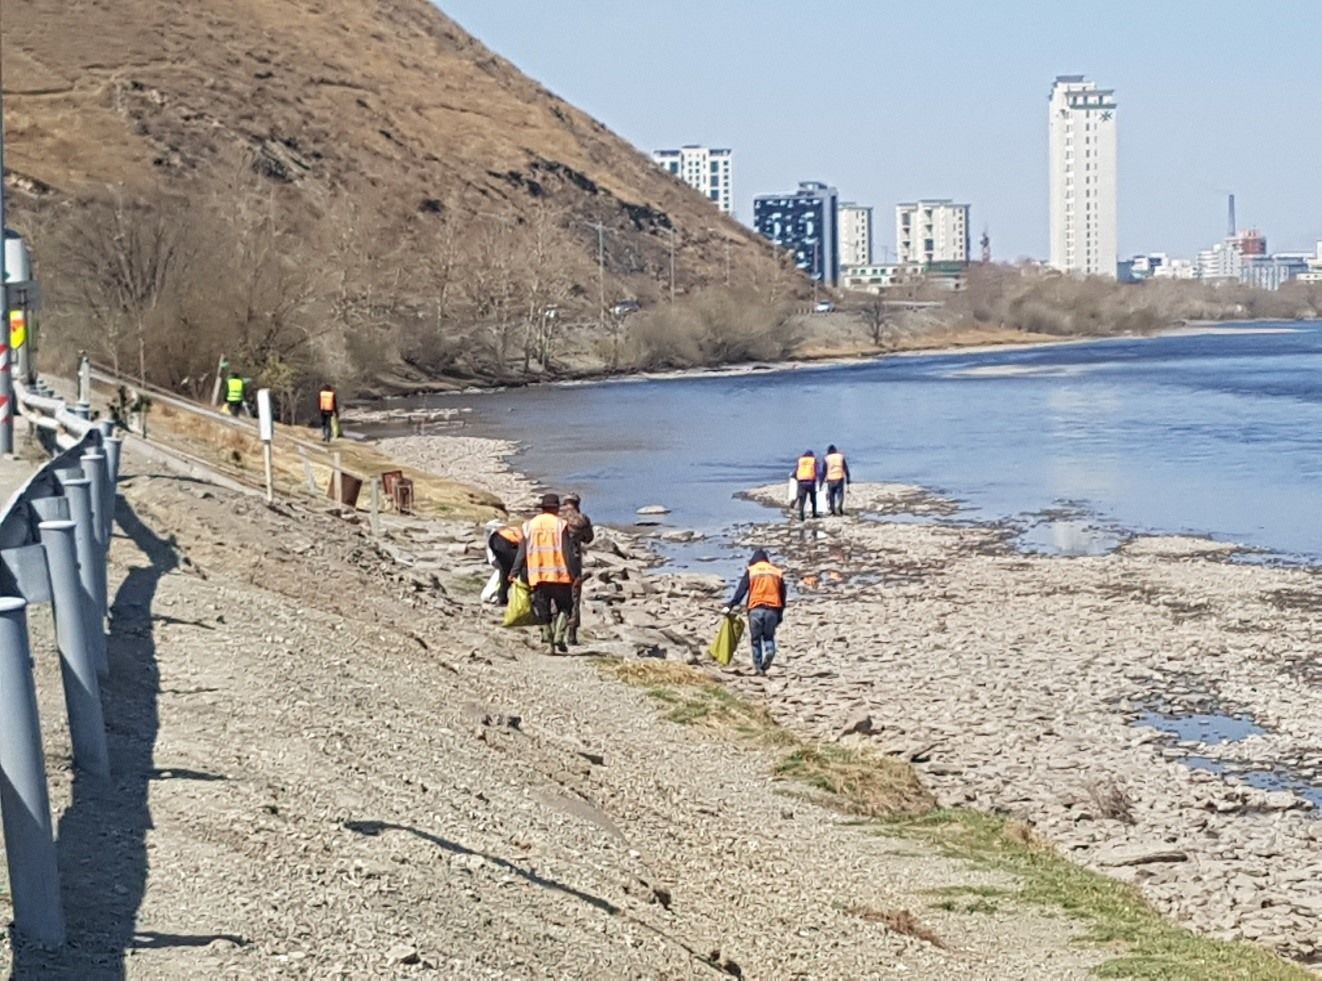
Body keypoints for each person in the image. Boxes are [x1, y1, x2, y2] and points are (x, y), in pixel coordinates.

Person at [512, 493, 581, 654]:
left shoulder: (529, 525)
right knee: (566, 607)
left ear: (542, 509)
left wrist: (514, 571)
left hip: (538, 575)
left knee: (543, 610)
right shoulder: (561, 525)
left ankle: (549, 643)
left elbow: (522, 552)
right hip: (560, 574)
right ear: (556, 508)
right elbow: (567, 551)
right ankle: (559, 636)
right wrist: (575, 574)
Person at [723, 548, 787, 675]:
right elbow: (782, 595)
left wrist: (730, 605)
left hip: (755, 609)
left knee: (755, 640)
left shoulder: (752, 571)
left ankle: (758, 668)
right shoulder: (776, 572)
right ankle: (770, 652)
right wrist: (780, 613)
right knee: (769, 637)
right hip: (772, 609)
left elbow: (742, 590)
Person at [560, 492, 595, 646]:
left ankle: (554, 633)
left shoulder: (556, 517)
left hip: (555, 559)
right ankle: (571, 635)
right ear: (577, 504)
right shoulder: (582, 519)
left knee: (554, 594)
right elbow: (588, 538)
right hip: (573, 561)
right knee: (574, 597)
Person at [487, 521, 523, 606]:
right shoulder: (529, 537)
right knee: (511, 569)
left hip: (495, 539)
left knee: (506, 569)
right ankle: (503, 597)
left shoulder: (523, 531)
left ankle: (502, 598)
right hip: (503, 541)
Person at [821, 444, 852, 516]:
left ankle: (832, 510)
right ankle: (839, 507)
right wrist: (848, 478)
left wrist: (821, 482)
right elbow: (845, 468)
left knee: (831, 495)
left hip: (830, 478)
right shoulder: (840, 457)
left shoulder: (826, 458)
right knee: (840, 494)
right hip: (839, 477)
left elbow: (824, 471)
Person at [792, 449, 822, 520]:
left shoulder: (800, 460)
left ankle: (801, 514)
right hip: (811, 482)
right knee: (813, 499)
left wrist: (794, 477)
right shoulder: (814, 460)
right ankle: (814, 513)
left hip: (801, 482)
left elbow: (796, 470)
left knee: (802, 499)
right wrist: (820, 479)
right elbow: (818, 471)